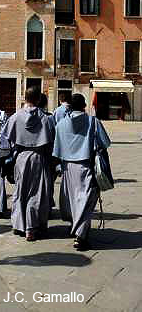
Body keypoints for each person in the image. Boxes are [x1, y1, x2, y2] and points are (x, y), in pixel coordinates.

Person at [53, 93, 111, 251]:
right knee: (85, 201)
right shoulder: (93, 121)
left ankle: (75, 226)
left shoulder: (61, 124)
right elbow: (105, 142)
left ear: (69, 106)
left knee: (72, 199)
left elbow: (56, 150)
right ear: (84, 105)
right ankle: (81, 236)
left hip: (67, 167)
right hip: (86, 165)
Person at [2, 87, 54, 241]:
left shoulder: (15, 117)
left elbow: (7, 140)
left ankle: (19, 224)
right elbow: (51, 142)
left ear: (24, 98)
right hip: (39, 157)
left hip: (21, 158)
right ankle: (32, 226)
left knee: (20, 190)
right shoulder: (46, 119)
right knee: (37, 192)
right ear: (38, 99)